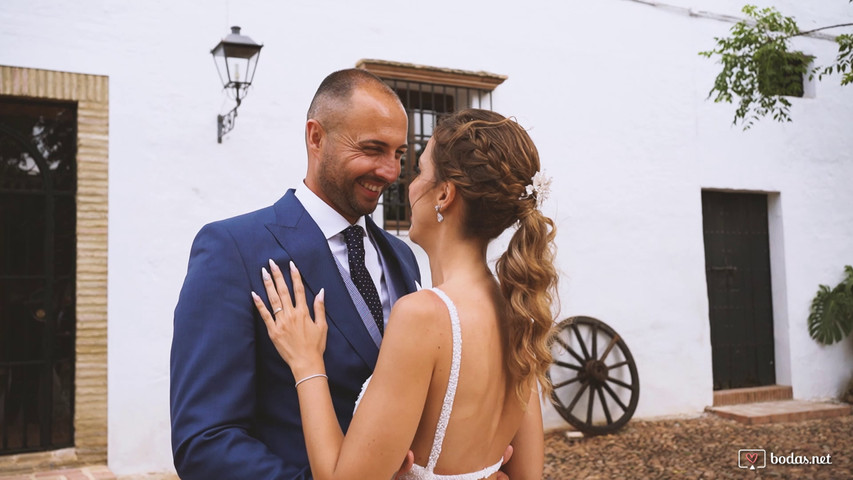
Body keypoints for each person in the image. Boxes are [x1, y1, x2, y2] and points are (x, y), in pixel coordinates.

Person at [252, 108, 558, 480]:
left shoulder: (424, 316)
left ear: (444, 194)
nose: (406, 183)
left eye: (419, 171)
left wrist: (306, 363)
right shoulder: (519, 314)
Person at [170, 69, 423, 479]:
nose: (390, 171)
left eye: (398, 153)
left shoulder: (402, 257)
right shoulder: (232, 249)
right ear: (316, 137)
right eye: (373, 149)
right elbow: (204, 442)